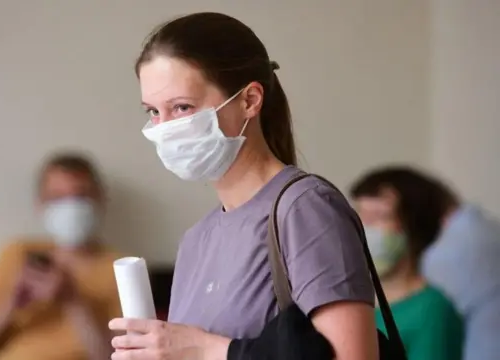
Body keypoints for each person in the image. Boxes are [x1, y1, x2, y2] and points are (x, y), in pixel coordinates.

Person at [108, 12, 379, 360]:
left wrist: (209, 349)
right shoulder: (196, 240)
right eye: (153, 112)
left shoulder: (305, 208)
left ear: (249, 100)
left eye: (181, 107)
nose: (164, 128)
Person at [0, 152, 121, 360]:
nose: (71, 206)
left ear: (100, 199)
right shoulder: (17, 254)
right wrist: (10, 305)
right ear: (41, 205)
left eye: (81, 195)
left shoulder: (122, 267)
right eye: (58, 197)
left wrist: (72, 300)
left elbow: (114, 356)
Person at [353, 166, 500, 360]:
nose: (364, 226)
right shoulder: (357, 304)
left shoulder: (432, 311)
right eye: (358, 214)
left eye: (379, 216)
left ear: (413, 229)